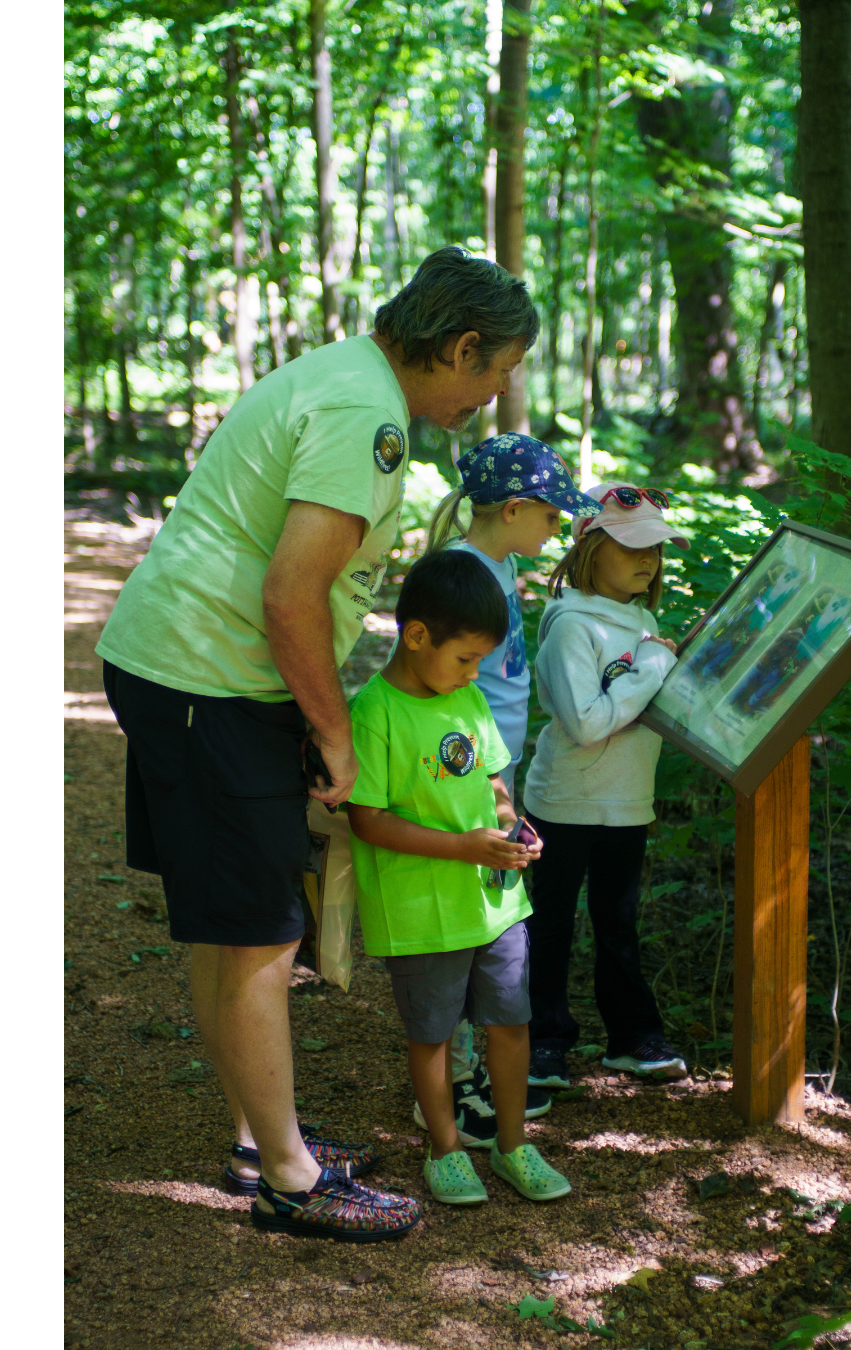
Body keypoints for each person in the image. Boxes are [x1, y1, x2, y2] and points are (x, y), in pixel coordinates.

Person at [96, 245, 538, 1240]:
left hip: (192, 669)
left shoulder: (346, 376)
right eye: (498, 368)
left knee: (233, 923)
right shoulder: (363, 415)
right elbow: (292, 593)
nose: (496, 391)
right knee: (260, 929)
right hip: (210, 678)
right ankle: (290, 1178)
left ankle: (261, 1137)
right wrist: (334, 736)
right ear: (461, 346)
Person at [346, 550, 571, 1205]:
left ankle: (512, 1144)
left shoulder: (468, 698)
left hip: (494, 904)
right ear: (417, 636)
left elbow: (494, 780)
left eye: (480, 661)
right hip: (421, 911)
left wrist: (514, 825)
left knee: (511, 1023)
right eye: (465, 657)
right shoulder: (376, 713)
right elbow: (367, 821)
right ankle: (445, 1150)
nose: (474, 673)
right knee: (433, 1035)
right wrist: (462, 848)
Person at [422, 433, 602, 1144]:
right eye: (552, 516)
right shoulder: (465, 573)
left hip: (493, 764)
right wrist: (494, 788)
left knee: (486, 918)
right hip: (469, 770)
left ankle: (465, 1072)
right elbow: (447, 689)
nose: (558, 529)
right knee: (471, 925)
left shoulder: (493, 566)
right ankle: (452, 1087)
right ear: (513, 509)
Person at [522, 484, 691, 1091]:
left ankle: (633, 1038)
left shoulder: (640, 620)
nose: (647, 560)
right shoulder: (572, 626)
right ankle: (543, 1042)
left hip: (626, 803)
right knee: (552, 923)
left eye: (655, 549)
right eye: (631, 547)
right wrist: (650, 669)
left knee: (618, 922)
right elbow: (587, 722)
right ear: (591, 549)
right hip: (566, 802)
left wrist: (660, 666)